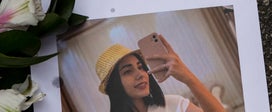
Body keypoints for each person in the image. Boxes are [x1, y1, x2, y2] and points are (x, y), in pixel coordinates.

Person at [95, 37, 226, 112]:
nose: (141, 74)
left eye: (141, 67)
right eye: (127, 71)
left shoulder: (172, 104)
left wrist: (188, 77)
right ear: (114, 85)